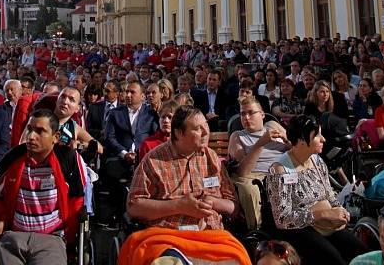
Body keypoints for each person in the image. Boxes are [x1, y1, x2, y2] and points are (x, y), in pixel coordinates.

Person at [122, 106, 249, 265]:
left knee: (238, 259)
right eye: (197, 128)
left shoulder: (211, 158)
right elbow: (134, 206)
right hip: (169, 237)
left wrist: (212, 201)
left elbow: (233, 206)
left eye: (205, 126)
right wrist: (179, 206)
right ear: (179, 133)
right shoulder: (154, 161)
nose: (205, 132)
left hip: (211, 237)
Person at [0, 109, 85, 265]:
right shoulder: (14, 156)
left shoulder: (67, 158)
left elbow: (76, 200)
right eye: (30, 129)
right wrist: (3, 218)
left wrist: (69, 236)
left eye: (40, 131)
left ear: (56, 137)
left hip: (51, 239)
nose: (31, 136)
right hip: (13, 236)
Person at [266, 114, 367, 265]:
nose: (323, 139)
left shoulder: (317, 160)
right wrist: (320, 215)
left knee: (361, 253)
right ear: (301, 140)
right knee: (335, 260)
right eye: (317, 136)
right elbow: (282, 219)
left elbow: (329, 194)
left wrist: (339, 211)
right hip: (300, 230)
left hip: (325, 225)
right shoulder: (280, 170)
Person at [228, 96, 289, 229]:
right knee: (249, 188)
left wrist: (288, 140)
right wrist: (260, 143)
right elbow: (242, 172)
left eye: (251, 112)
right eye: (243, 114)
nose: (246, 117)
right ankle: (256, 229)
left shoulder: (272, 125)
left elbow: (297, 150)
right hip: (256, 175)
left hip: (283, 170)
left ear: (262, 115)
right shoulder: (238, 136)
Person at [104, 81, 158, 180]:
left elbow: (155, 137)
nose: (128, 95)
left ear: (142, 96)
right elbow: (109, 137)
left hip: (144, 158)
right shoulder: (114, 113)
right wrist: (124, 154)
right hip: (119, 158)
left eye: (132, 92)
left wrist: (140, 154)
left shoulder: (151, 114)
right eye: (127, 92)